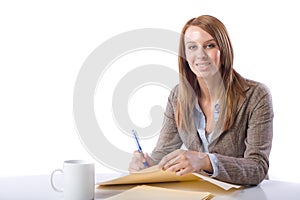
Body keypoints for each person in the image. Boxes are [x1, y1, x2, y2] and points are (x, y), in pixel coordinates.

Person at [129, 15, 273, 185]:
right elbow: (163, 153)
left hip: (243, 194)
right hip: (199, 193)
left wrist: (206, 161)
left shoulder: (256, 95)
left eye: (209, 46)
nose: (200, 55)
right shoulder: (178, 96)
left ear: (224, 49)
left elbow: (258, 167)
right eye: (192, 47)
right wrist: (147, 166)